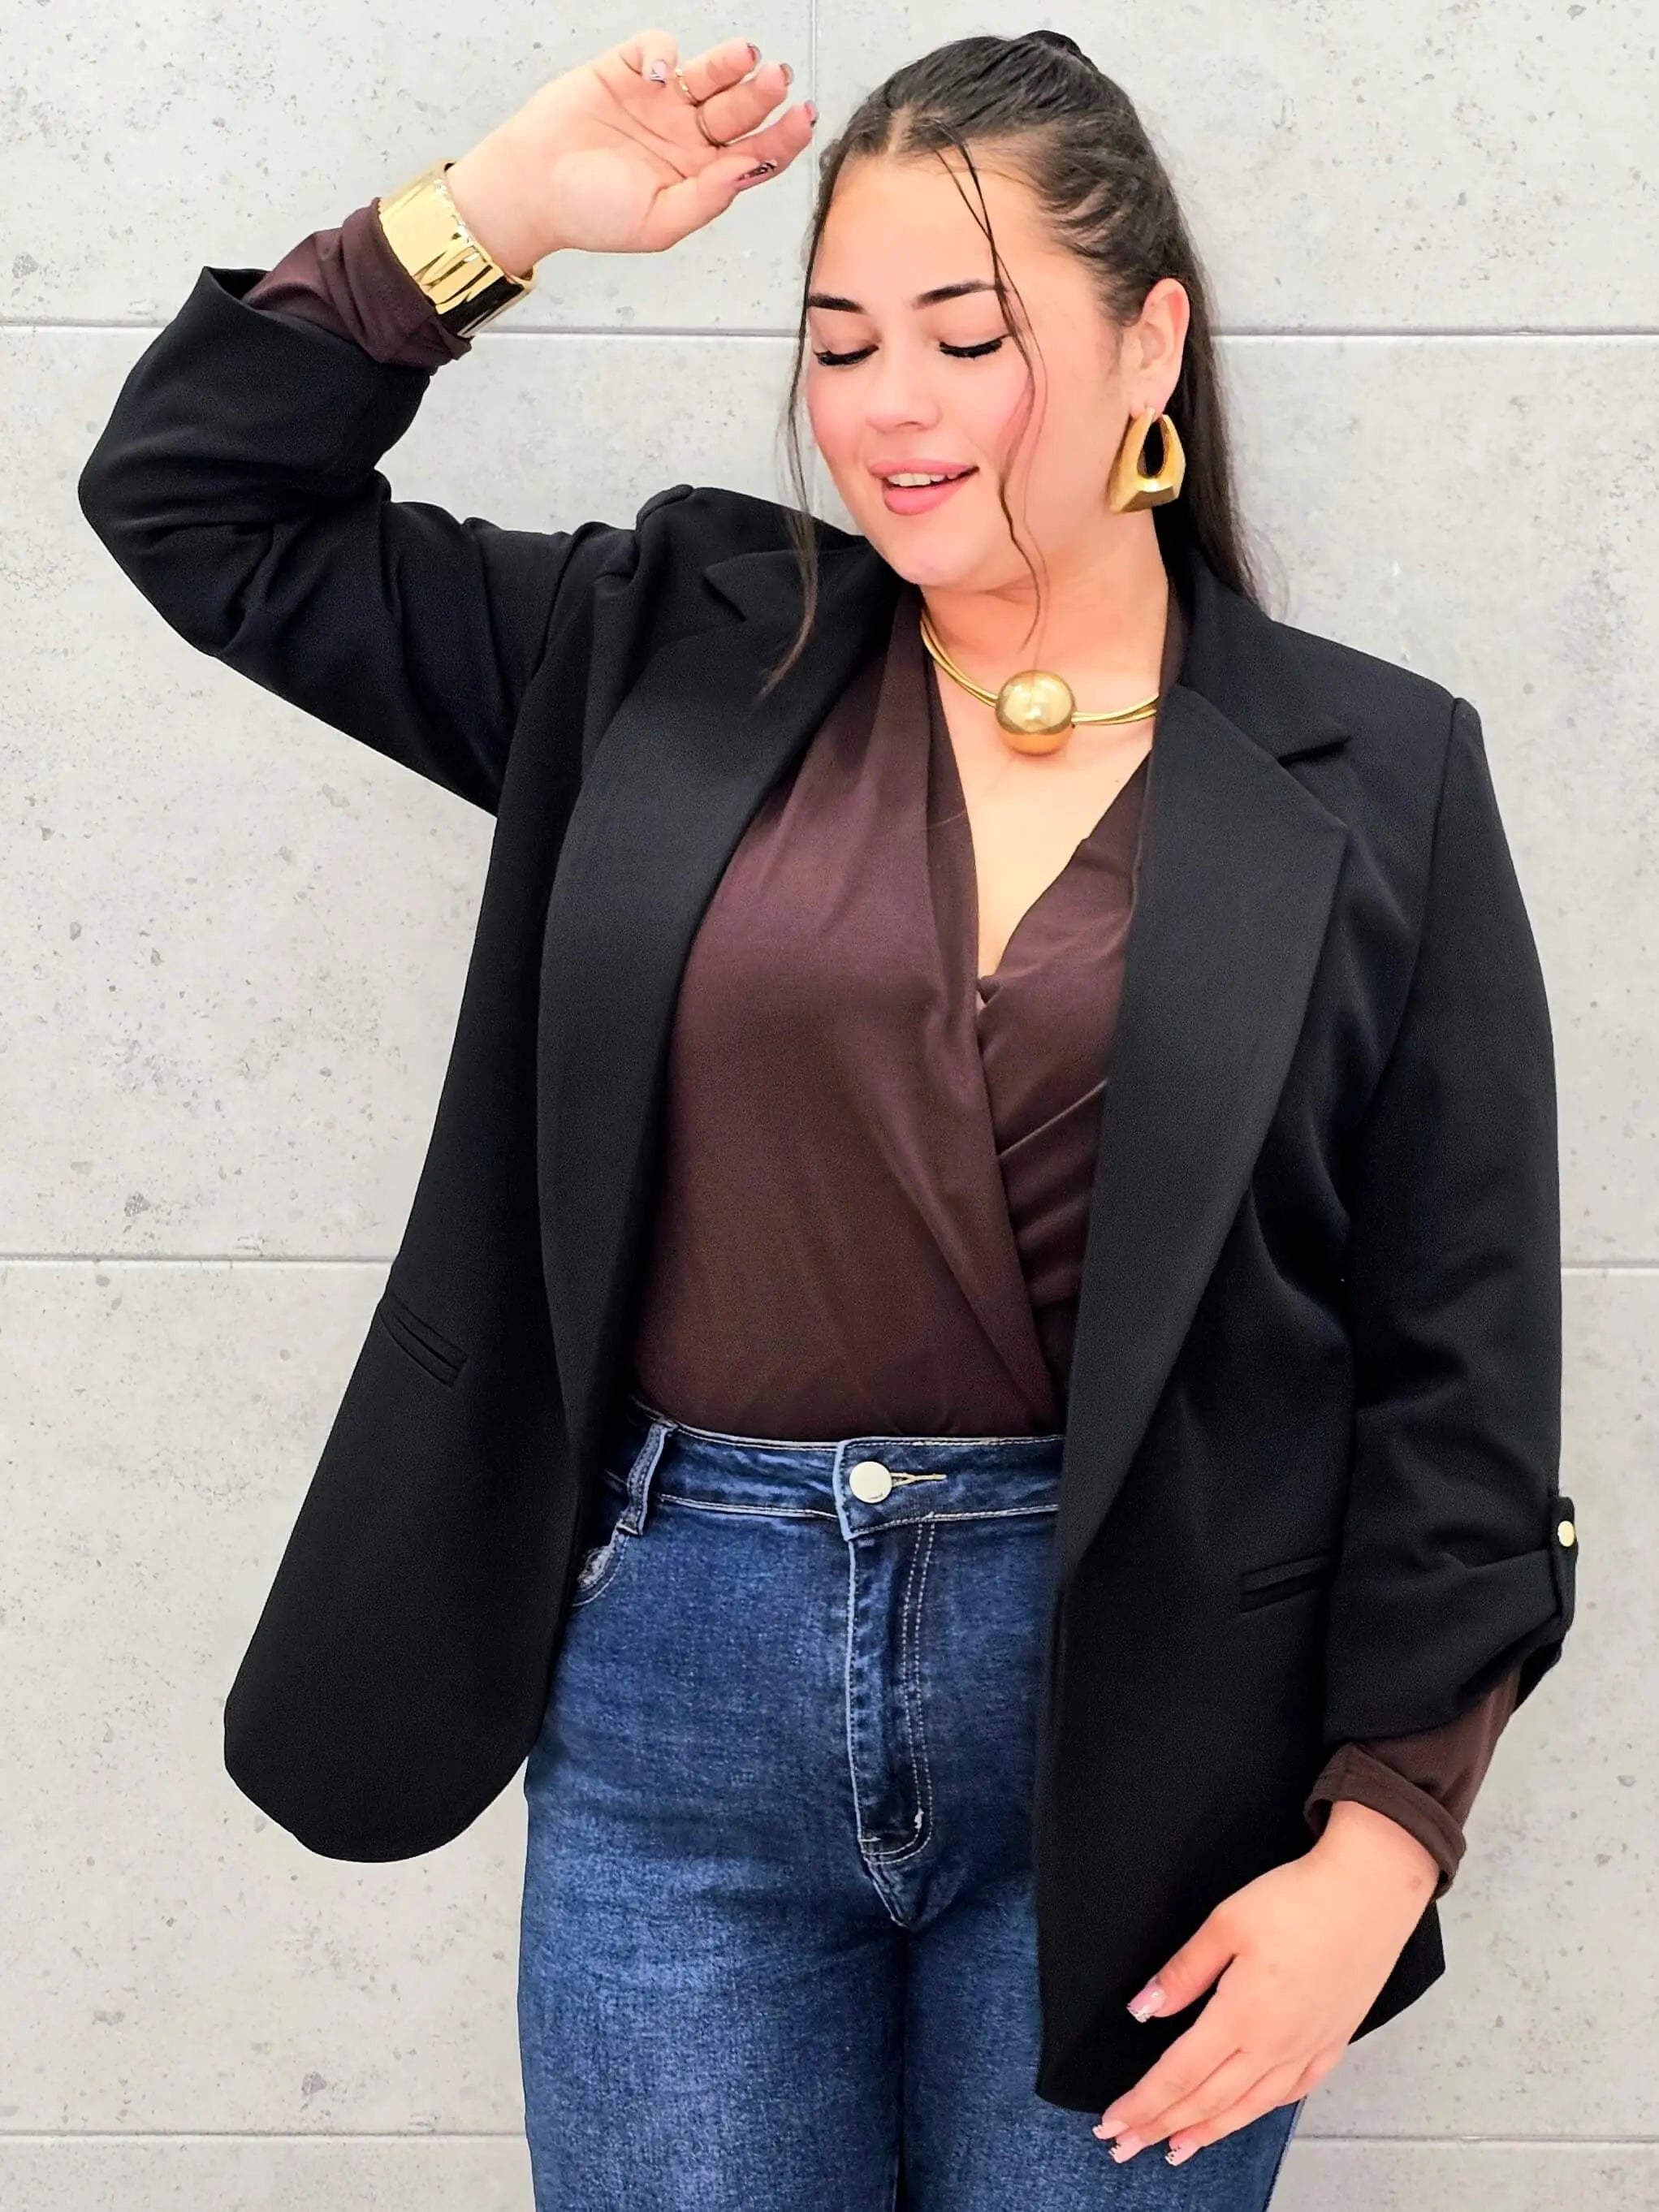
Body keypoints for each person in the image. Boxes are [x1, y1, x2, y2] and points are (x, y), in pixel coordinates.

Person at [76, 25, 1577, 2212]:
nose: (886, 404)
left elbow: (1462, 1362)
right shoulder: (667, 647)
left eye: (967, 336)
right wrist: (492, 213)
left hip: (1150, 1734)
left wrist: (1384, 1841)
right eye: (840, 338)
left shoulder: (1378, 777)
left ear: (1149, 345)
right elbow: (193, 502)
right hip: (677, 1709)